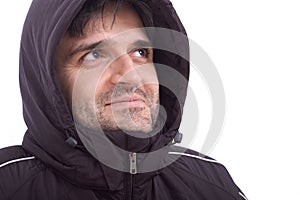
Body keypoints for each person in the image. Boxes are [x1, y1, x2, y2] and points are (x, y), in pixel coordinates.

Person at [0, 0, 247, 199]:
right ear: (47, 81)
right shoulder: (8, 186)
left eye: (140, 53)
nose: (131, 77)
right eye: (94, 55)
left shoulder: (212, 184)